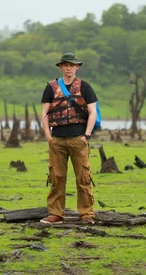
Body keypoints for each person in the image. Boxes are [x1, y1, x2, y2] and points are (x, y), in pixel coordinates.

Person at [40, 52, 98, 225]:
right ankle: (56, 214)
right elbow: (44, 113)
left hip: (78, 139)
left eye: (72, 65)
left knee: (83, 177)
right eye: (65, 65)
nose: (69, 68)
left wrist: (86, 135)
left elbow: (92, 112)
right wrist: (48, 137)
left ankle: (86, 213)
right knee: (56, 178)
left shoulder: (85, 87)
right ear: (61, 67)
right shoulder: (51, 88)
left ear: (77, 67)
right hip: (57, 139)